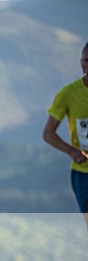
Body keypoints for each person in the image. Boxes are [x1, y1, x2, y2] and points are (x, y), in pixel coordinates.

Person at [43, 41, 88, 227]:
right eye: (86, 60)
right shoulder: (68, 94)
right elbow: (48, 133)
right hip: (83, 174)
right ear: (81, 63)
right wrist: (72, 152)